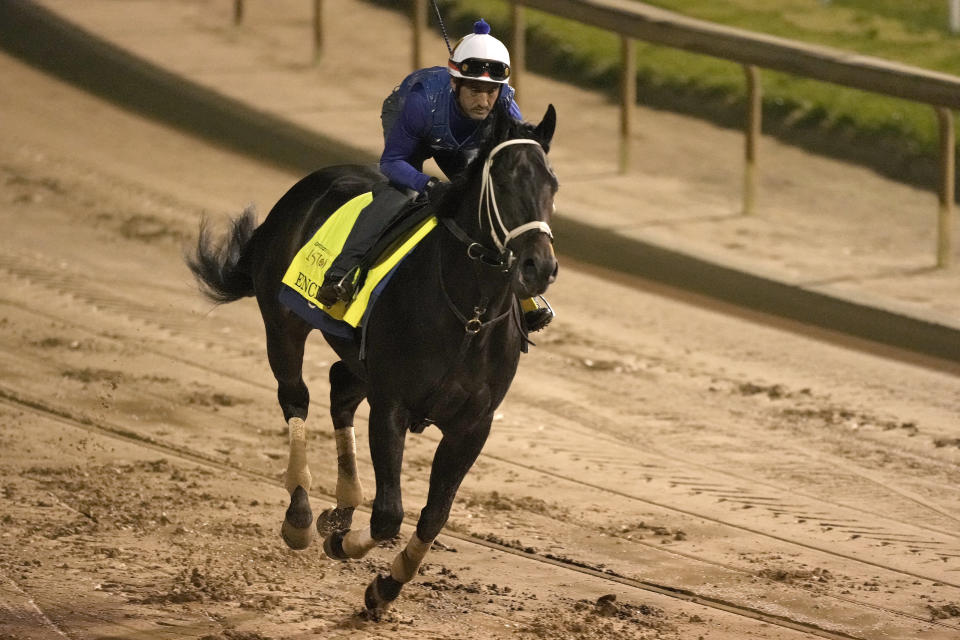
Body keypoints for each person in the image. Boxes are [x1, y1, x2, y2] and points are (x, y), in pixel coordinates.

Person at [314, 18, 554, 332]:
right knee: (398, 194)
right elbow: (392, 162)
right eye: (474, 91)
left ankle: (523, 294)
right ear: (456, 84)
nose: (483, 102)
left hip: (462, 144)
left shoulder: (506, 108)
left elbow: (513, 164)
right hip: (416, 131)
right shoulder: (419, 104)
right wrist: (426, 184)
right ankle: (341, 274)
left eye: (491, 92)